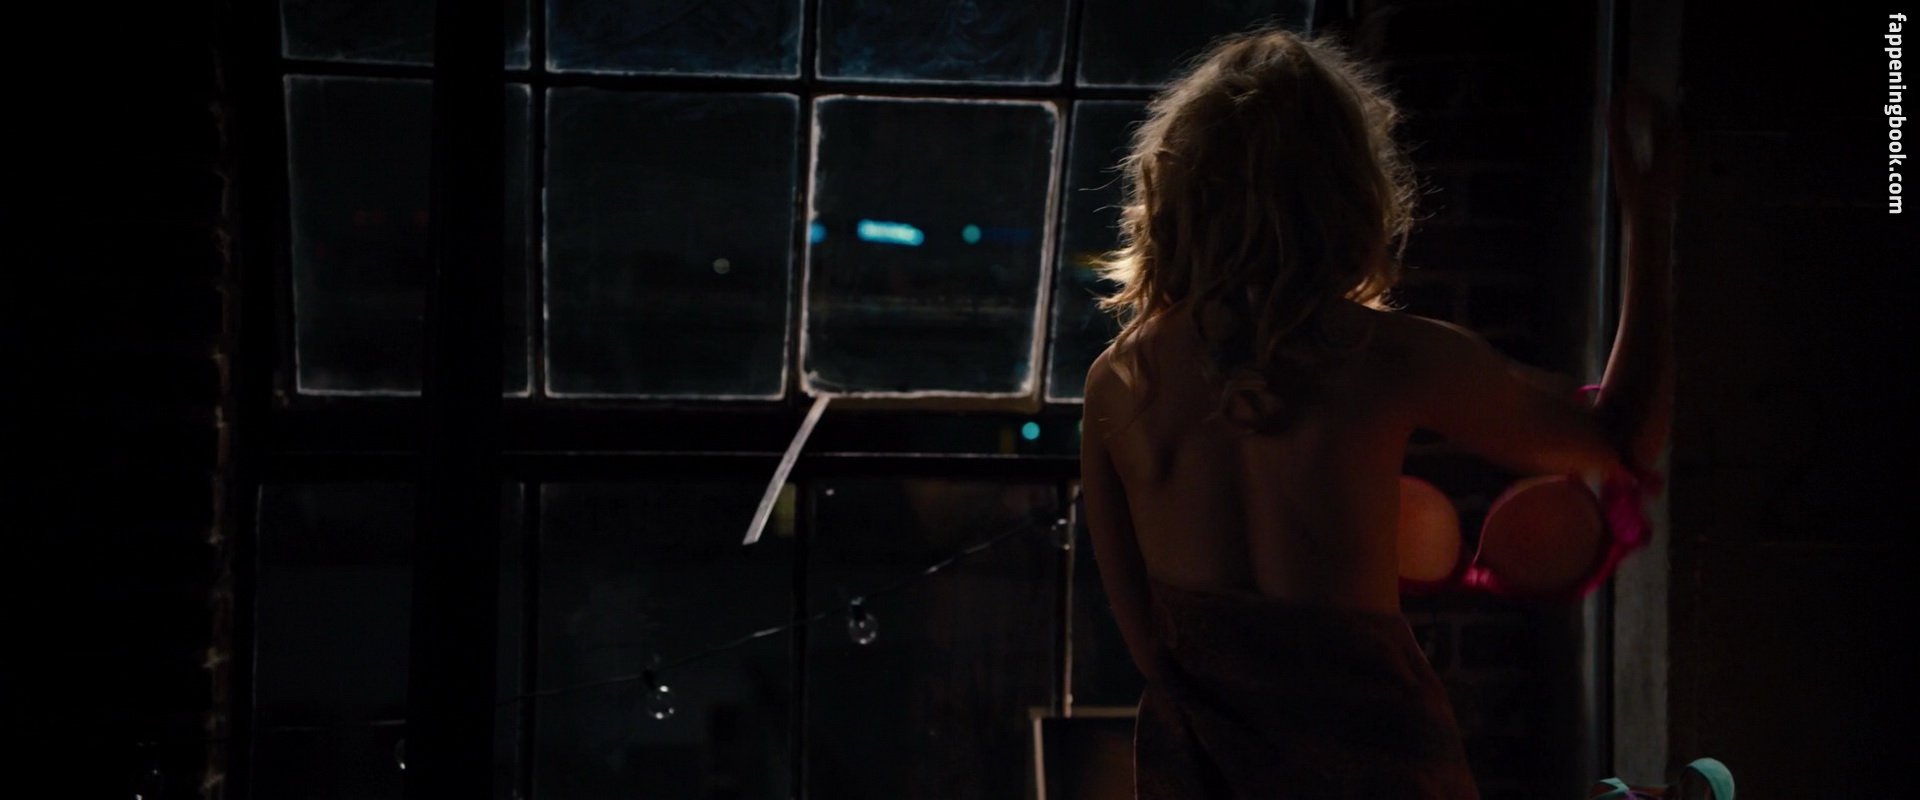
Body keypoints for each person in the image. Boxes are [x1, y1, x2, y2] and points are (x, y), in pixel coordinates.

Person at [1078, 27, 1678, 798]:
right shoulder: (1389, 356)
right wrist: (1649, 221)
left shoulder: (1115, 382)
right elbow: (1623, 439)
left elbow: (1149, 650)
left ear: (1174, 192)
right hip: (1382, 764)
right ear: (1349, 193)